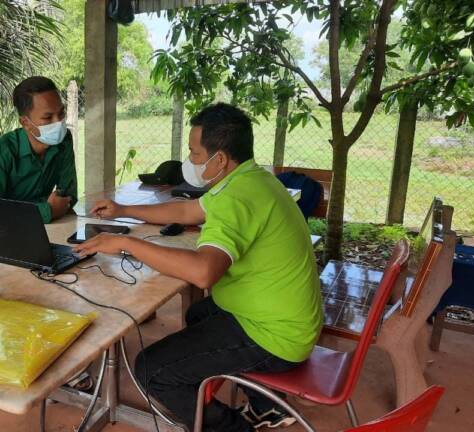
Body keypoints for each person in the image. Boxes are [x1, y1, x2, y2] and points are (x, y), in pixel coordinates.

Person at [73, 103, 322, 432]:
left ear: (220, 159)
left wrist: (126, 243)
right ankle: (267, 405)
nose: (189, 161)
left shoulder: (235, 199)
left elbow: (204, 273)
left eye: (194, 153)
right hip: (286, 318)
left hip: (275, 335)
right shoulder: (252, 179)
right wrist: (123, 210)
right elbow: (187, 212)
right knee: (199, 314)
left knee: (152, 370)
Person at [0, 76, 77, 223]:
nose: (58, 122)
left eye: (61, 113)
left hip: (51, 226)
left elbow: (68, 196)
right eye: (48, 117)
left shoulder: (64, 141)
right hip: (6, 231)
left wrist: (54, 208)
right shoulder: (0, 152)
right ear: (25, 122)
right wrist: (46, 211)